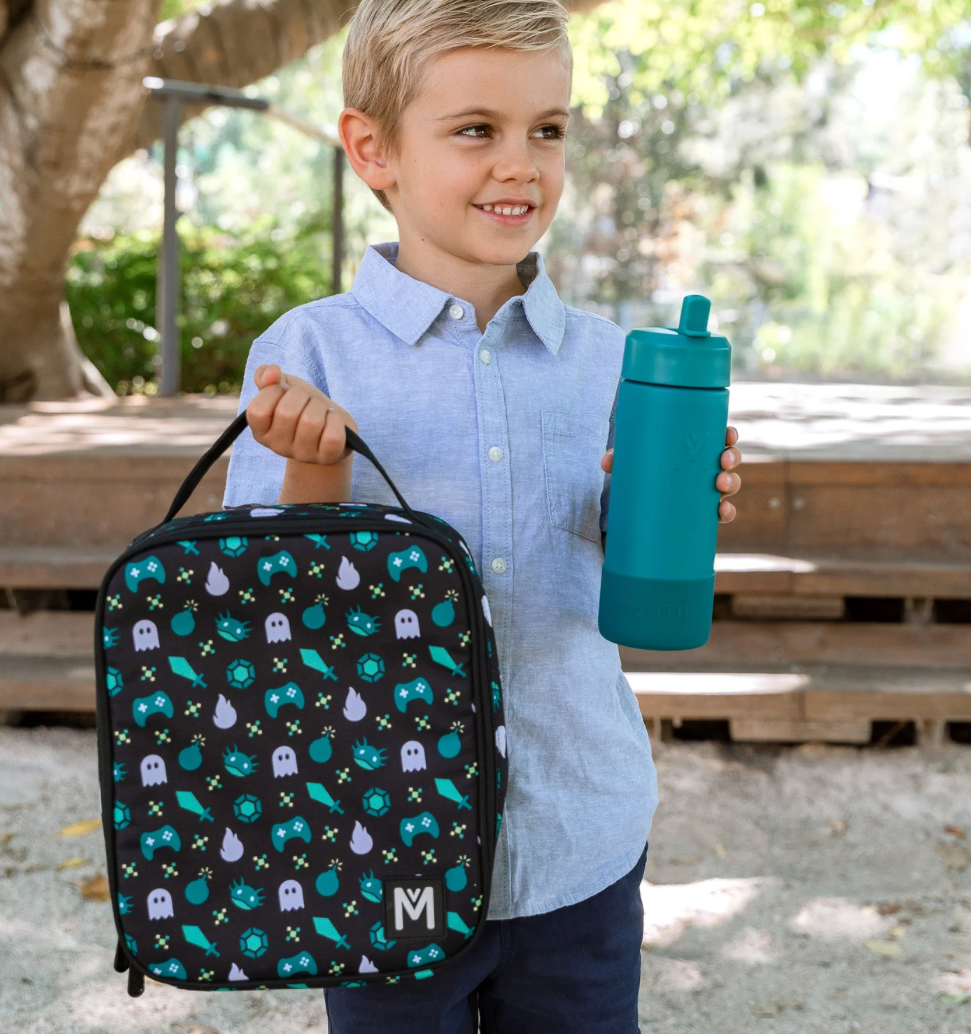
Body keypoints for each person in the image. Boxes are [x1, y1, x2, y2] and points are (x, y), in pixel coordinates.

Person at [223, 1, 743, 1030]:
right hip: (382, 839)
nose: (521, 164)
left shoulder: (612, 362)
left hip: (576, 838)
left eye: (546, 130)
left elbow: (618, 565)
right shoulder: (307, 356)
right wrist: (313, 467)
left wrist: (676, 504)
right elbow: (270, 618)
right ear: (372, 149)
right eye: (476, 130)